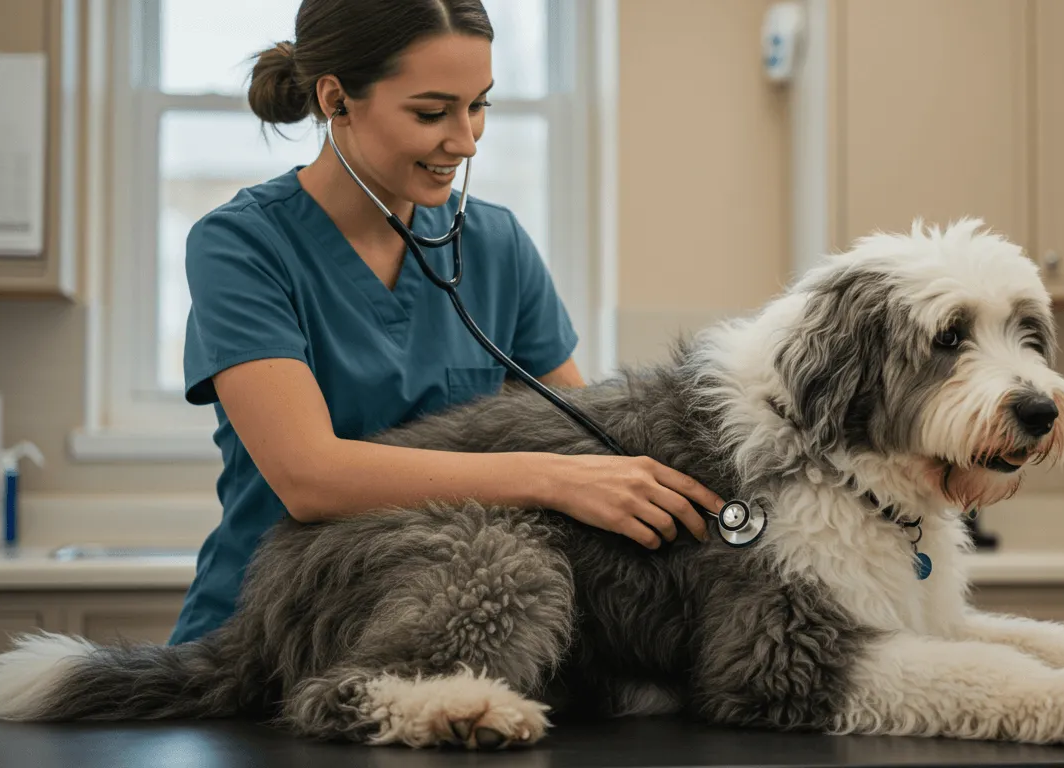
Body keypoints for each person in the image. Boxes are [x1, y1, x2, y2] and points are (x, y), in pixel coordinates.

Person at [168, 0, 725, 645]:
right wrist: (549, 477)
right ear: (335, 99)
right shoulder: (241, 245)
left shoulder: (495, 243)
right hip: (274, 633)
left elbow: (580, 437)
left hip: (450, 622)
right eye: (431, 112)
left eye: (478, 105)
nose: (464, 140)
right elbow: (309, 477)